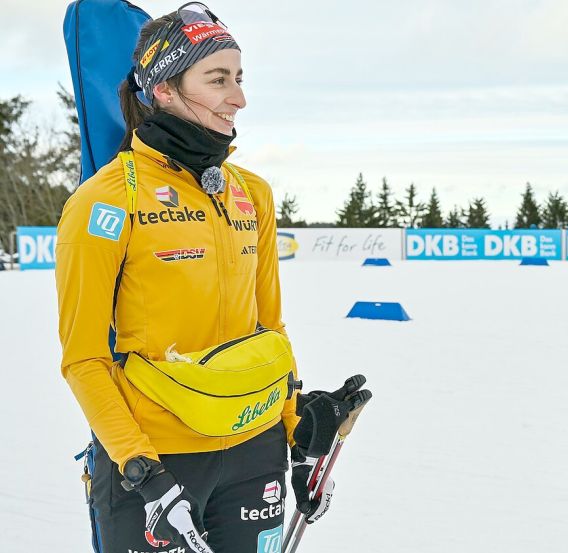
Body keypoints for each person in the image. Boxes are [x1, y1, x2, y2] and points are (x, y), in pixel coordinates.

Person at [56, 4, 360, 551]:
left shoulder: (253, 194)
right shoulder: (105, 201)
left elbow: (270, 329)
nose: (238, 98)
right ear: (164, 89)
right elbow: (84, 359)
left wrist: (295, 434)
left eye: (239, 78)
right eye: (218, 79)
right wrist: (140, 470)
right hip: (155, 463)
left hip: (254, 453)